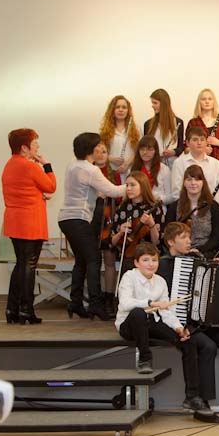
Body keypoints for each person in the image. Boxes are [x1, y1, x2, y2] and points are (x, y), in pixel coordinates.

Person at [157, 222, 219, 418]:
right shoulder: (164, 265)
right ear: (170, 242)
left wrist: (215, 267)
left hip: (205, 321)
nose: (189, 241)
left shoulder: (196, 259)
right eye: (183, 237)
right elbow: (165, 301)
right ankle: (202, 403)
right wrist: (178, 323)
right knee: (208, 346)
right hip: (183, 322)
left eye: (189, 237)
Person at [115, 242, 219, 418]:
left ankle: (192, 396)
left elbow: (166, 312)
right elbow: (125, 303)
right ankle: (145, 360)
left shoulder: (160, 281)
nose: (151, 264)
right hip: (129, 324)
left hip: (152, 322)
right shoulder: (129, 276)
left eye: (154, 260)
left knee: (188, 342)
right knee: (139, 313)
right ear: (136, 263)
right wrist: (151, 303)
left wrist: (179, 328)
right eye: (145, 260)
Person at [58, 132, 126, 320]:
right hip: (78, 218)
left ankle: (75, 302)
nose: (101, 150)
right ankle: (96, 304)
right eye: (98, 147)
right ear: (91, 150)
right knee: (94, 259)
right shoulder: (91, 169)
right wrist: (134, 185)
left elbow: (85, 189)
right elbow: (113, 191)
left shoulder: (73, 164)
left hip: (65, 219)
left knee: (81, 260)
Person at [2, 128, 57, 324]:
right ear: (24, 148)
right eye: (35, 144)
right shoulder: (30, 166)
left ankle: (12, 309)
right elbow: (51, 186)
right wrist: (47, 165)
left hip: (14, 220)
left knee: (21, 264)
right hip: (30, 221)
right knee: (29, 265)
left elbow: (24, 189)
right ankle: (26, 309)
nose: (38, 147)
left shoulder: (9, 165)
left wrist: (39, 194)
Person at [165, 165, 219, 258]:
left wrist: (199, 250)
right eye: (189, 179)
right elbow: (169, 233)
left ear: (203, 183)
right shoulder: (174, 207)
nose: (193, 183)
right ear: (184, 183)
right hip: (179, 254)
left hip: (205, 254)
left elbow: (217, 237)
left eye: (197, 179)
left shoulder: (214, 207)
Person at [111, 171, 165, 277]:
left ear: (143, 186)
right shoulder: (122, 208)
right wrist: (121, 232)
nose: (128, 188)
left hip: (149, 258)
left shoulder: (154, 208)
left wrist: (152, 225)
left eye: (132, 185)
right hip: (128, 258)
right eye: (127, 185)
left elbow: (157, 241)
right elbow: (112, 242)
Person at [90, 141, 122, 315]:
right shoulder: (87, 172)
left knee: (109, 261)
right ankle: (95, 298)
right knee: (92, 261)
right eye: (97, 151)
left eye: (104, 151)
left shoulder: (114, 174)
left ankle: (110, 298)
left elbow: (120, 198)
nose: (101, 154)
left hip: (109, 222)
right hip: (91, 221)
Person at [170, 126, 219, 204]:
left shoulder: (216, 163)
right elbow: (176, 191)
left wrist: (213, 206)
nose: (199, 143)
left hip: (210, 206)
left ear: (206, 142)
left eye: (202, 140)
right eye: (195, 140)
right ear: (187, 143)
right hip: (186, 207)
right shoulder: (179, 163)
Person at [186, 88, 219, 170]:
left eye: (210, 99)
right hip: (198, 166)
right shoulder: (193, 122)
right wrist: (201, 150)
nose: (207, 101)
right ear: (199, 102)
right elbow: (186, 149)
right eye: (203, 99)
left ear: (214, 101)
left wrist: (218, 142)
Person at [99, 95, 141, 178]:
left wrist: (126, 164)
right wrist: (110, 158)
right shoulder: (105, 130)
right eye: (117, 107)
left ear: (128, 111)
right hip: (112, 172)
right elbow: (99, 153)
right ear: (112, 110)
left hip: (131, 171)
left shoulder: (136, 129)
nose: (121, 110)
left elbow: (139, 150)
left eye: (124, 107)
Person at [143, 88, 184, 169]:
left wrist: (173, 152)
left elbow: (181, 147)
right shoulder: (148, 124)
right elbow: (145, 148)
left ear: (164, 104)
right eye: (152, 103)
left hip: (173, 165)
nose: (152, 106)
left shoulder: (178, 122)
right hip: (154, 166)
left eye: (155, 103)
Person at [131, 135, 172, 204]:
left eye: (149, 149)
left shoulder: (164, 169)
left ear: (155, 151)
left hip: (157, 206)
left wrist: (156, 198)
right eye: (142, 149)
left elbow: (170, 196)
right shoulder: (134, 168)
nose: (145, 152)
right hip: (137, 206)